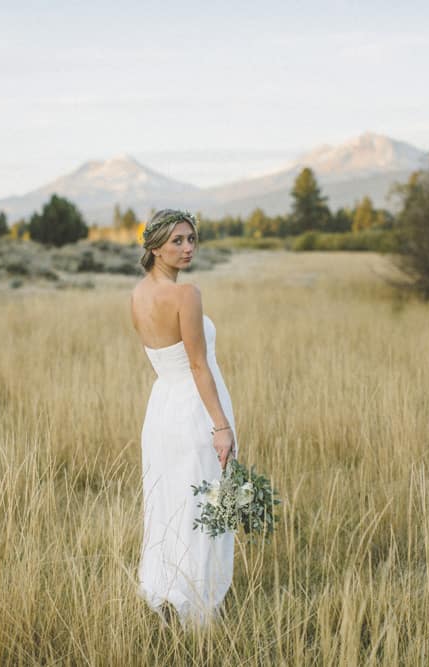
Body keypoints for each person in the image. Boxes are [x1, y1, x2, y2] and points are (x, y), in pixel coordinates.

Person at [130, 208, 237, 625]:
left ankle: (167, 593)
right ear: (155, 246)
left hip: (161, 411)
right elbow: (197, 366)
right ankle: (195, 603)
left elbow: (162, 359)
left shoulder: (138, 294)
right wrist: (221, 425)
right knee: (203, 503)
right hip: (193, 409)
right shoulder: (186, 294)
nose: (188, 247)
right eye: (177, 240)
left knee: (170, 502)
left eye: (191, 239)